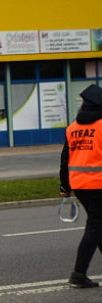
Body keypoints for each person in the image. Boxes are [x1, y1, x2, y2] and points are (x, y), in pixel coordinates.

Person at [59, 83, 102, 288]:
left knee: (98, 225)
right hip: (99, 185)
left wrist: (65, 186)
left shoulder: (72, 129)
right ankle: (78, 274)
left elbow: (65, 158)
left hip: (79, 185)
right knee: (95, 226)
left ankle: (79, 273)